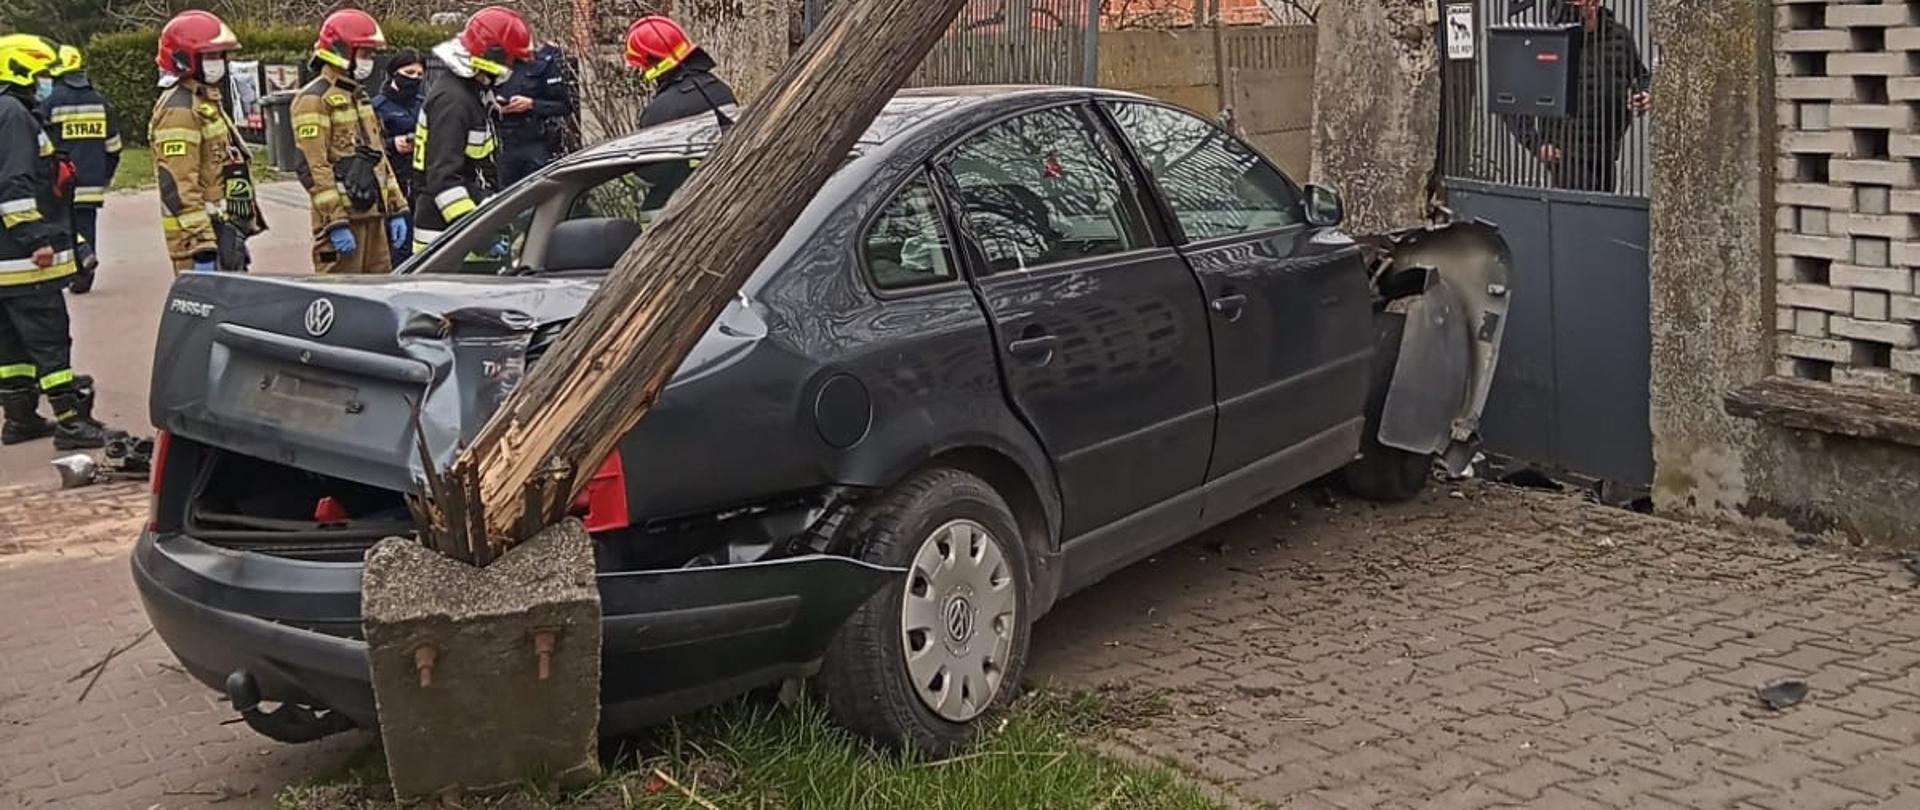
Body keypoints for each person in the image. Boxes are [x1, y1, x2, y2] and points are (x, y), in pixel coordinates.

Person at [0, 34, 120, 449]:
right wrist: (35, 239)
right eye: (43, 75)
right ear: (21, 71)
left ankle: (20, 419)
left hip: (4, 262)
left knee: (11, 344)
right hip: (23, 258)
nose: (47, 83)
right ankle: (71, 423)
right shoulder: (14, 115)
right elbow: (15, 183)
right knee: (49, 340)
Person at [291, 9, 410, 275]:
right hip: (341, 222)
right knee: (340, 296)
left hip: (373, 217)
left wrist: (397, 207)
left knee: (375, 294)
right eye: (365, 53)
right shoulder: (314, 99)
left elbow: (380, 159)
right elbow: (313, 166)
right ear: (342, 51)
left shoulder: (360, 97)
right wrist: (335, 221)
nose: (370, 60)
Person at [150, 10, 265, 273]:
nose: (219, 63)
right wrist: (203, 246)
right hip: (199, 245)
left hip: (222, 233)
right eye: (211, 56)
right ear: (184, 59)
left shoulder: (203, 101)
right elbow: (178, 183)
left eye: (220, 55)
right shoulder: (179, 110)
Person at [412, 6, 531, 255]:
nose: (512, 67)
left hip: (464, 227)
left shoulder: (471, 93)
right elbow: (444, 180)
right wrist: (477, 237)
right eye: (510, 60)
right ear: (492, 54)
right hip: (447, 237)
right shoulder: (453, 101)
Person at [1503, 0, 1651, 193]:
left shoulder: (1619, 36)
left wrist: (1643, 93)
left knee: (1604, 210)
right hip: (1565, 153)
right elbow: (1513, 98)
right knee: (1581, 214)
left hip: (1606, 150)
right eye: (1581, 5)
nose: (1588, 9)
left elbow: (1641, 74)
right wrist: (1535, 144)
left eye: (1592, 3)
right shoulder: (1552, 41)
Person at [41, 44, 120, 294]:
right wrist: (105, 175)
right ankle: (83, 277)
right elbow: (114, 147)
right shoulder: (100, 102)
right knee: (86, 225)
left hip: (62, 181)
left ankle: (82, 256)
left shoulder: (51, 102)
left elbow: (42, 143)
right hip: (92, 181)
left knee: (62, 226)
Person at [626, 16, 736, 130]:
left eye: (643, 66)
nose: (642, 71)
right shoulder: (723, 90)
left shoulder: (657, 113)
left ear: (653, 62)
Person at [493, 42, 574, 187]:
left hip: (534, 143)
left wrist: (531, 104)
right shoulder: (489, 65)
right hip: (501, 146)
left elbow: (564, 106)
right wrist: (496, 107)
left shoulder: (541, 64)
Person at [371, 49, 425, 260]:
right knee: (396, 247)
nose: (414, 79)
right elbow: (368, 145)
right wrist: (393, 144)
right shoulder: (378, 106)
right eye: (409, 73)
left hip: (419, 183)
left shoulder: (423, 105)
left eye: (419, 75)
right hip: (391, 184)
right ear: (394, 73)